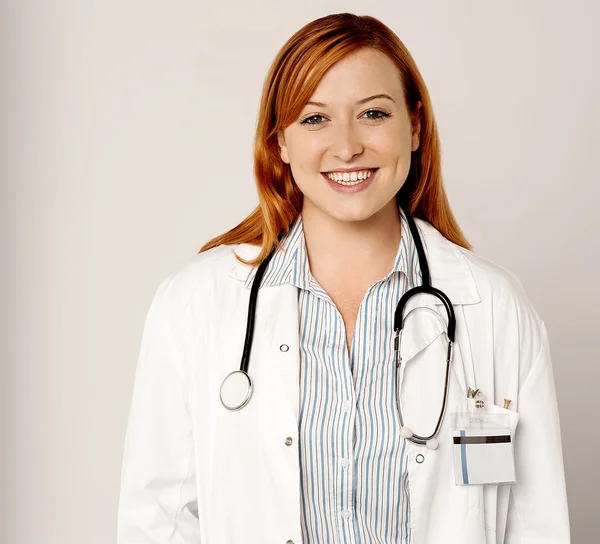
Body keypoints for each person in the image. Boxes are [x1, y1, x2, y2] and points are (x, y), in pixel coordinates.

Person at [117, 12, 570, 544]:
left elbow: (535, 524)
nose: (347, 145)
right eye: (315, 119)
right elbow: (159, 520)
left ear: (416, 126)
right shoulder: (195, 304)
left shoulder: (492, 307)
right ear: (280, 142)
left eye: (373, 113)